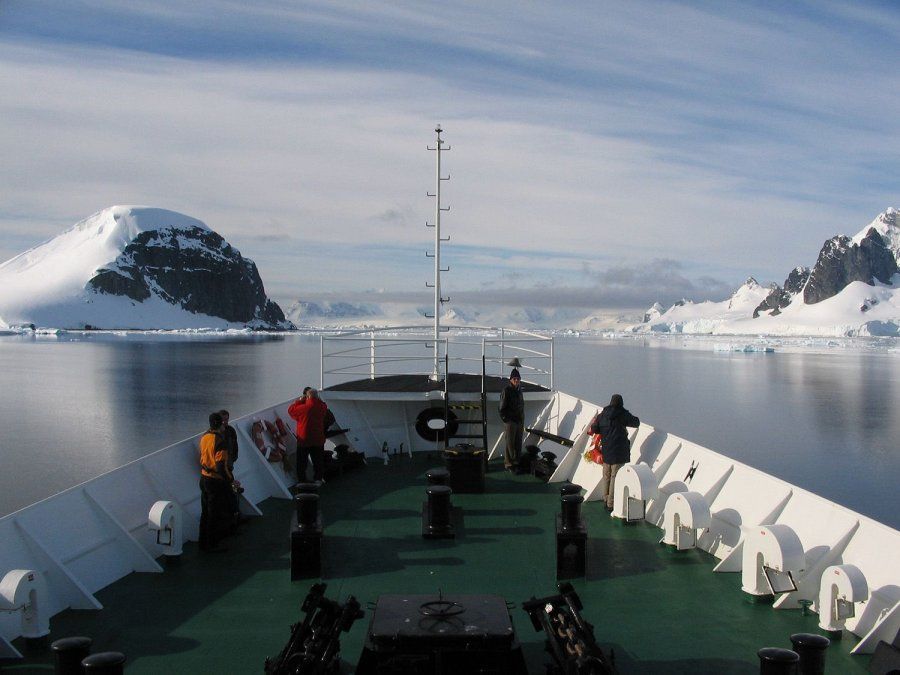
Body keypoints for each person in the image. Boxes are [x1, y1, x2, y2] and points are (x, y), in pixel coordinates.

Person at [590, 394, 640, 512]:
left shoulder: (602, 415)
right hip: (619, 451)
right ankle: (610, 504)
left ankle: (605, 499)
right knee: (615, 477)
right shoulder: (622, 414)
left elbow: (595, 428)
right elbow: (636, 422)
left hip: (606, 450)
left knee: (606, 475)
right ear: (621, 403)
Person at [199, 412, 233, 552]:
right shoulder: (220, 442)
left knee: (205, 512)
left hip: (204, 478)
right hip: (215, 481)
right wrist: (231, 480)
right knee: (215, 513)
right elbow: (220, 466)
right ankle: (212, 544)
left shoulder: (204, 437)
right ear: (221, 424)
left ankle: (203, 542)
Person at [288, 387, 329, 483]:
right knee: (318, 461)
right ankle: (318, 479)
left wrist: (299, 401)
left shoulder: (304, 408)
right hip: (318, 439)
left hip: (304, 440)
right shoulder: (323, 407)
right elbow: (322, 403)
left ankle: (302, 480)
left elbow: (291, 411)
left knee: (302, 462)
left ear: (307, 396)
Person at [499, 368, 525, 471]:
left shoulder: (519, 391)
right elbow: (501, 408)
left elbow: (521, 405)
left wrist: (522, 418)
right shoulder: (507, 391)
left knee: (518, 441)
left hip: (519, 420)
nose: (516, 380)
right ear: (510, 380)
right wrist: (506, 419)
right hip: (510, 421)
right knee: (509, 442)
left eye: (518, 379)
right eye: (514, 378)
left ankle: (516, 461)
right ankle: (508, 463)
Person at [219, 409, 241, 527]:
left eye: (227, 419)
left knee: (231, 492)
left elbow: (235, 446)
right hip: (221, 470)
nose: (225, 422)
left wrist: (233, 459)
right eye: (223, 420)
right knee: (227, 492)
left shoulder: (231, 431)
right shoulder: (215, 435)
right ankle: (230, 519)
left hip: (229, 466)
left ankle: (234, 517)